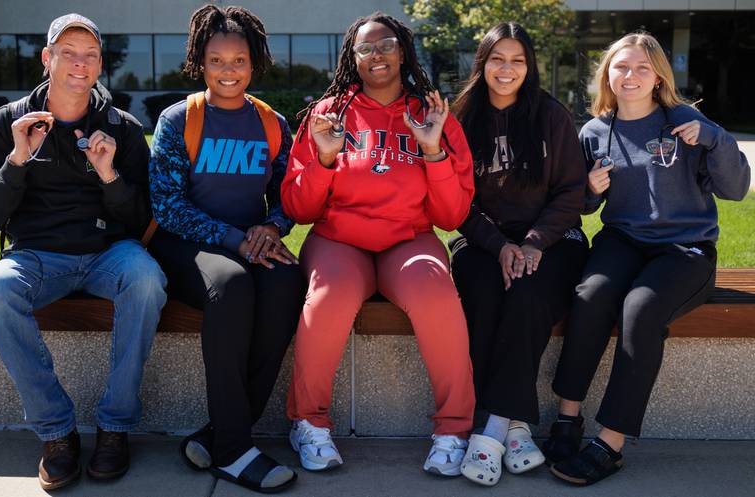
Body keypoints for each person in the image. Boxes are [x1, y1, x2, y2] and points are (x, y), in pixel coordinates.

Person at [0, 13, 166, 490]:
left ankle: (115, 428)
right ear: (47, 58)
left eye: (90, 55)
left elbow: (147, 220)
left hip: (108, 253)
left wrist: (110, 174)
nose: (80, 63)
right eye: (68, 53)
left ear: (99, 66)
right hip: (35, 256)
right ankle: (57, 433)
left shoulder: (124, 128)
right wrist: (16, 161)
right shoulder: (8, 122)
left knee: (147, 279)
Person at [544, 32, 750, 485]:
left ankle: (610, 443)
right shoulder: (595, 131)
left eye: (642, 67)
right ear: (607, 75)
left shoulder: (686, 123)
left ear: (658, 76)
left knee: (640, 307)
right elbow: (581, 206)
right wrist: (588, 190)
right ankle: (567, 418)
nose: (631, 75)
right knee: (591, 293)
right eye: (621, 66)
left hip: (685, 248)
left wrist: (714, 138)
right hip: (623, 240)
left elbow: (736, 190)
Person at [282, 11, 476, 477]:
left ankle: (453, 429)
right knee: (329, 298)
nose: (377, 55)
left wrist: (432, 151)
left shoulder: (431, 113)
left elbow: (453, 216)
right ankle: (309, 423)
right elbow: (298, 209)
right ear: (352, 56)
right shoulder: (329, 113)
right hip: (338, 239)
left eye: (386, 44)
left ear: (403, 50)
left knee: (436, 294)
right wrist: (325, 159)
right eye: (365, 47)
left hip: (408, 239)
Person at [147, 5, 304, 494]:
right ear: (200, 61)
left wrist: (273, 228)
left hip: (250, 240)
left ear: (254, 62)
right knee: (232, 286)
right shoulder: (180, 119)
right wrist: (237, 240)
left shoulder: (272, 122)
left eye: (238, 60)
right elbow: (167, 206)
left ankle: (222, 435)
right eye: (217, 60)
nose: (228, 71)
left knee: (286, 282)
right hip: (185, 244)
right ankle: (235, 453)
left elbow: (287, 195)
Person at [448, 22, 588, 487]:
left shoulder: (551, 115)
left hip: (553, 238)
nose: (507, 70)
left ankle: (492, 427)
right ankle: (519, 429)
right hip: (482, 240)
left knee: (528, 297)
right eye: (497, 59)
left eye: (518, 61)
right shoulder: (460, 117)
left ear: (529, 67)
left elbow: (571, 193)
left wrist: (532, 243)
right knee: (485, 297)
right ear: (482, 63)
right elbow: (455, 203)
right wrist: (499, 245)